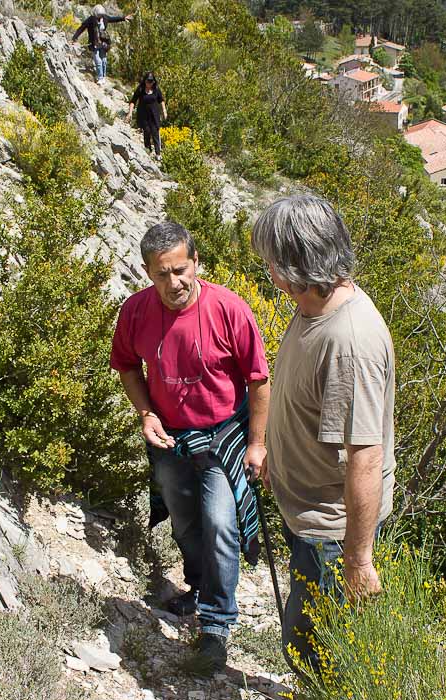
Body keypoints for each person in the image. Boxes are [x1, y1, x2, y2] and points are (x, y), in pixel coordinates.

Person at [110, 221, 271, 673]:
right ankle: (200, 588)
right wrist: (147, 413)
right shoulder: (136, 312)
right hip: (170, 440)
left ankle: (216, 628)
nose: (174, 282)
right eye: (162, 274)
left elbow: (259, 381)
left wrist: (256, 444)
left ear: (196, 262)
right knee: (184, 522)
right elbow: (126, 365)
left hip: (223, 435)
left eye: (181, 270)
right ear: (147, 271)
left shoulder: (229, 310)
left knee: (221, 524)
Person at [250, 194, 396, 675]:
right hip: (308, 516)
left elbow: (366, 459)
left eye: (272, 261)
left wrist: (357, 563)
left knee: (315, 652)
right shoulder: (314, 304)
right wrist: (275, 450)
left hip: (333, 534)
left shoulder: (349, 341)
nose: (268, 271)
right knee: (308, 638)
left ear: (296, 264)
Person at [72, 4, 133, 83]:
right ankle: (100, 77)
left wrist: (123, 18)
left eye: (101, 15)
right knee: (98, 61)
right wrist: (74, 38)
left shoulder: (104, 18)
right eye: (99, 15)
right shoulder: (90, 20)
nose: (100, 16)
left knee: (104, 60)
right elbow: (81, 28)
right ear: (95, 14)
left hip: (104, 43)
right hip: (94, 43)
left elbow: (113, 19)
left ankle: (103, 77)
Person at [127, 72, 167, 157]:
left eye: (151, 81)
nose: (149, 83)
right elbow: (133, 101)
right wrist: (130, 113)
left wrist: (164, 110)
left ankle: (158, 154)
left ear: (154, 82)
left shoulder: (156, 89)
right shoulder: (140, 89)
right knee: (147, 132)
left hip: (154, 115)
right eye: (148, 81)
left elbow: (161, 100)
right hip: (143, 115)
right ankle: (148, 151)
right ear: (144, 81)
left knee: (155, 132)